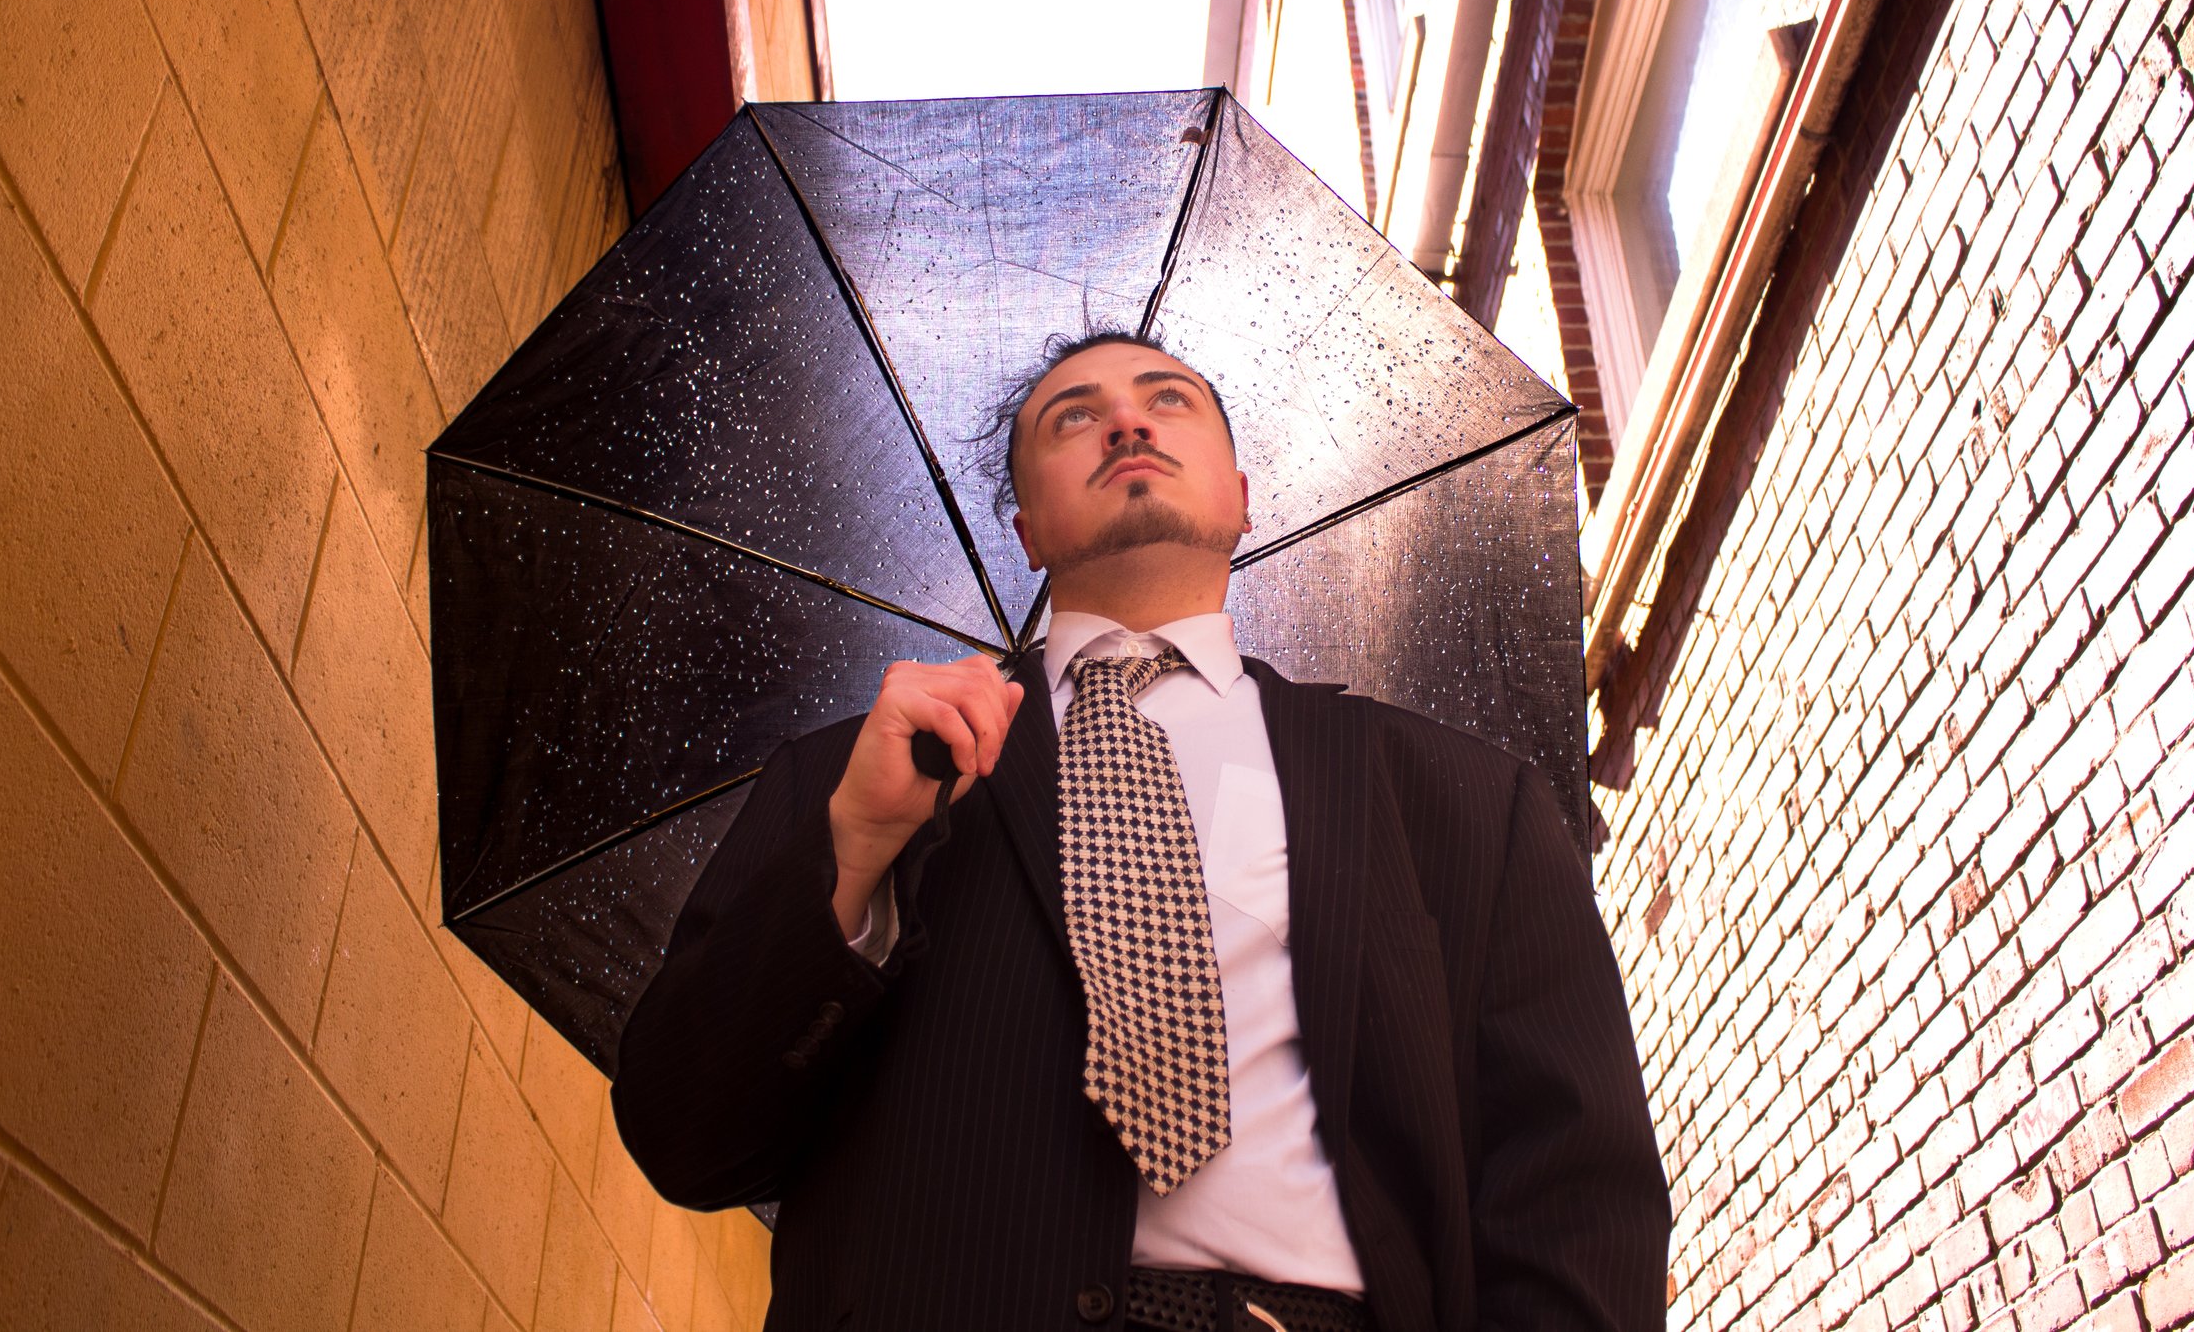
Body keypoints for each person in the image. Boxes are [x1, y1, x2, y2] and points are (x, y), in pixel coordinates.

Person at [613, 332, 1671, 1332]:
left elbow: (1573, 1182)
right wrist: (855, 843)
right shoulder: (870, 771)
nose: (1127, 424)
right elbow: (686, 1136)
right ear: (1025, 530)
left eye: (1169, 401)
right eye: (1073, 417)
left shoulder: (1465, 801)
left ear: (1242, 499)